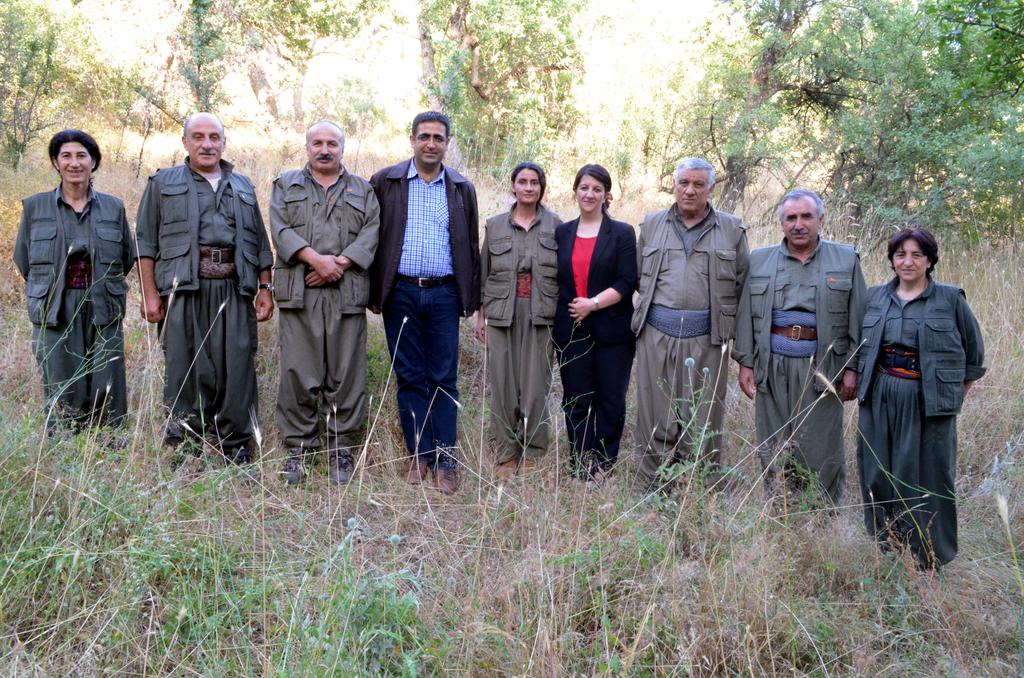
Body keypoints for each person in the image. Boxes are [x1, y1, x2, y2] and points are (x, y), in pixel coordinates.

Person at [136, 112, 275, 464]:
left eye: (214, 137)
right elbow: (145, 243)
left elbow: (260, 243)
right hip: (184, 291)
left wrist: (265, 288)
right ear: (185, 142)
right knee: (185, 368)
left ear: (224, 143)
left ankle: (237, 447)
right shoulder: (163, 183)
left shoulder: (243, 185)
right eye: (198, 136)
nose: (207, 144)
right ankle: (186, 449)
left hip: (234, 288)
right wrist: (151, 294)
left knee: (238, 369)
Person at [856, 229, 984, 569]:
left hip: (927, 402)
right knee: (877, 474)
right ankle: (886, 552)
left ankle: (930, 558)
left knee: (928, 476)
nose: (907, 261)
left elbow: (973, 358)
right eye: (900, 255)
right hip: (880, 394)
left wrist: (950, 397)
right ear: (892, 260)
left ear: (929, 260)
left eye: (916, 255)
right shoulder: (874, 298)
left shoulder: (950, 299)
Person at [369, 111, 480, 495]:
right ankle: (419, 454)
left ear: (447, 143)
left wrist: (471, 299)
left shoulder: (461, 187)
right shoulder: (387, 181)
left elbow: (469, 246)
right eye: (424, 136)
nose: (431, 143)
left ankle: (446, 460)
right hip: (400, 292)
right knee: (410, 376)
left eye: (438, 137)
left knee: (444, 380)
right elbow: (372, 235)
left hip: (444, 294)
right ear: (412, 139)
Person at [732, 189, 866, 501]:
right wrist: (746, 363)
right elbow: (745, 318)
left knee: (821, 446)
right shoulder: (760, 260)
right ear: (781, 223)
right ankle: (780, 508)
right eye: (791, 218)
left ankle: (823, 515)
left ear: (821, 219)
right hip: (773, 366)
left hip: (823, 369)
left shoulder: (845, 259)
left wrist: (853, 369)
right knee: (774, 443)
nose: (799, 224)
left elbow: (859, 316)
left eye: (806, 216)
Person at [269, 120, 380, 485]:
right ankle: (298, 449)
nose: (325, 149)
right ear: (307, 146)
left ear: (343, 148)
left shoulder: (363, 190)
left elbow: (372, 231)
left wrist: (339, 264)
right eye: (317, 142)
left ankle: (340, 449)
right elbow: (280, 228)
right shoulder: (286, 185)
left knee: (345, 374)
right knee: (299, 372)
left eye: (332, 143)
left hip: (346, 292)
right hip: (301, 291)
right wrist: (316, 261)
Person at [632, 158, 749, 491]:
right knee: (655, 413)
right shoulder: (652, 225)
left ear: (711, 188)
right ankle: (653, 487)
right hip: (657, 335)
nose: (690, 190)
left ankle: (700, 488)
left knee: (703, 416)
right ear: (674, 185)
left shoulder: (731, 229)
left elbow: (742, 285)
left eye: (698, 184)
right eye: (684, 182)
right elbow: (640, 277)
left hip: (707, 339)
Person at [14, 129, 136, 430]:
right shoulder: (35, 207)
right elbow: (24, 259)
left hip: (102, 304)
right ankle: (65, 449)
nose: (74, 163)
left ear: (93, 162)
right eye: (66, 156)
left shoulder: (113, 207)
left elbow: (126, 257)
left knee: (107, 381)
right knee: (61, 382)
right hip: (56, 307)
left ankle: (109, 449)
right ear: (56, 162)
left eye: (82, 155)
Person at [475, 162, 561, 477]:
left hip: (541, 313)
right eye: (522, 182)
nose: (528, 188)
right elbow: (483, 272)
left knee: (536, 386)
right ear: (513, 186)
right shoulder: (495, 225)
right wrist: (480, 315)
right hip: (501, 313)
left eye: (534, 182)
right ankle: (505, 453)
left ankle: (534, 452)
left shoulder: (557, 226)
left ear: (542, 187)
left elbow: (564, 277)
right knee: (503, 388)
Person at [554, 164, 637, 481]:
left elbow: (628, 280)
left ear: (607, 196)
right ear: (575, 191)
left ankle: (603, 463)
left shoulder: (622, 233)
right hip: (572, 329)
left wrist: (594, 303)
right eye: (584, 187)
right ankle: (577, 463)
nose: (589, 194)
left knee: (610, 399)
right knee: (575, 399)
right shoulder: (562, 232)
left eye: (597, 189)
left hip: (613, 329)